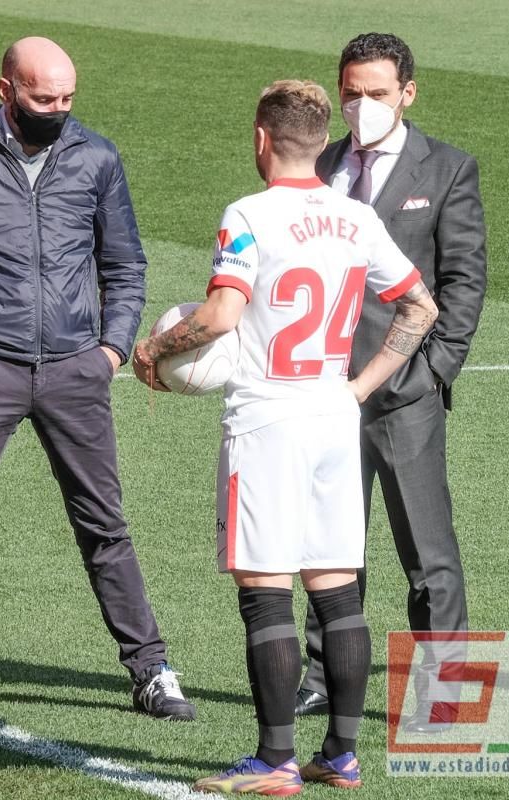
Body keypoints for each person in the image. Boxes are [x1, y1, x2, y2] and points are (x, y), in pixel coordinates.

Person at [133, 80, 439, 794]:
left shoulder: (248, 213)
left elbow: (218, 316)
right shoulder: (356, 216)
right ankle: (340, 754)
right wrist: (359, 389)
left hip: (267, 419)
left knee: (267, 590)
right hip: (335, 413)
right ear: (318, 136)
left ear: (262, 139)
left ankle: (274, 761)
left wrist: (156, 352)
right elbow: (419, 306)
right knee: (337, 591)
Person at [0, 36, 196, 724]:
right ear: (6, 92)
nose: (57, 109)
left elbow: (125, 262)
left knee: (105, 528)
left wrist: (111, 350)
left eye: (66, 99)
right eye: (42, 98)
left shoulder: (97, 157)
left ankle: (150, 670)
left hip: (75, 370)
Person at [294, 33, 487, 730]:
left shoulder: (447, 169)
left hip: (403, 395)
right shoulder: (317, 164)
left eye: (376, 93)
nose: (361, 105)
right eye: (350, 92)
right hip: (320, 392)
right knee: (328, 546)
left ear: (408, 92)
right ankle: (321, 674)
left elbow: (463, 282)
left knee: (427, 554)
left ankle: (444, 692)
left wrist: (433, 370)